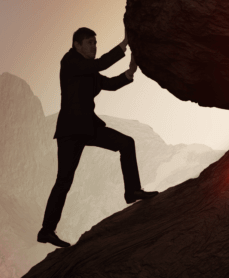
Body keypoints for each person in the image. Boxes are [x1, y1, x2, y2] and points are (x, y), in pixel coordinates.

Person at [37, 27, 158, 248]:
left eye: (95, 42)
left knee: (126, 143)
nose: (94, 46)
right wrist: (124, 44)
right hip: (70, 131)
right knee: (64, 181)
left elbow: (108, 84)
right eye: (90, 42)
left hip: (89, 127)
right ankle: (46, 231)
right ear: (77, 45)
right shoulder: (70, 62)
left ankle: (132, 191)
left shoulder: (88, 69)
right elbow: (100, 64)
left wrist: (130, 73)